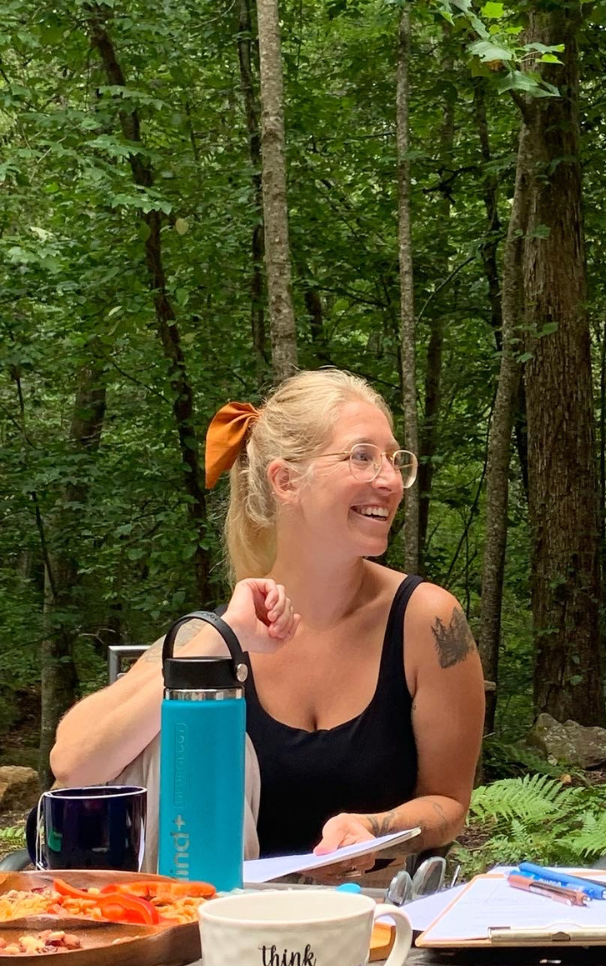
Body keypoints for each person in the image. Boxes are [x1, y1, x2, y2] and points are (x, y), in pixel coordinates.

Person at [50, 368, 486, 876]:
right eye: (362, 456)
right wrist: (224, 639)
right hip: (224, 919)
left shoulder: (428, 620)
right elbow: (74, 765)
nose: (389, 480)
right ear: (285, 481)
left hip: (375, 917)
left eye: (393, 459)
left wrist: (375, 828)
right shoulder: (219, 632)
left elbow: (448, 802)